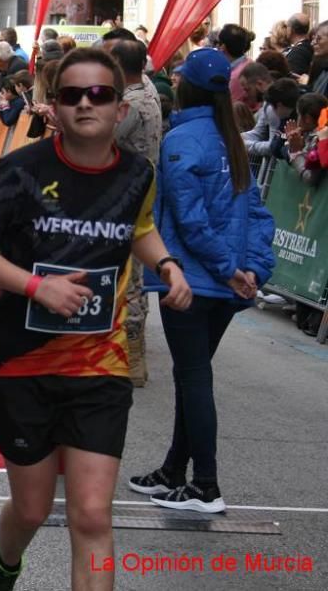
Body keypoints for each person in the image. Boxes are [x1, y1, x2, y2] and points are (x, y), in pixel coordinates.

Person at [0, 47, 192, 591]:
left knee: (90, 515)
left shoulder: (137, 174)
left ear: (120, 108)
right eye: (72, 94)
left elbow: (140, 228)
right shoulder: (22, 170)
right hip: (23, 366)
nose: (87, 103)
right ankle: (6, 562)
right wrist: (37, 286)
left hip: (99, 367)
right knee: (33, 509)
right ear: (54, 107)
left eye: (100, 94)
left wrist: (167, 264)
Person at [129, 48, 275, 514]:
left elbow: (190, 222)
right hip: (226, 281)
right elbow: (257, 213)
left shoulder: (183, 140)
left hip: (196, 280)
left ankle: (205, 484)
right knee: (194, 377)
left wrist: (231, 269)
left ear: (186, 87)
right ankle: (175, 470)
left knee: (193, 380)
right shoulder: (228, 138)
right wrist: (251, 268)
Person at [109, 40, 164, 389]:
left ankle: (131, 354)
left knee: (129, 274)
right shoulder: (147, 88)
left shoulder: (132, 100)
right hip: (136, 187)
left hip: (127, 191)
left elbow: (106, 136)